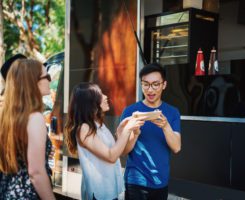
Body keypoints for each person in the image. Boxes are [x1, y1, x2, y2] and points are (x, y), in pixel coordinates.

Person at [64, 82, 146, 200]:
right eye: (100, 94)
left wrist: (133, 133)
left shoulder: (98, 124)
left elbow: (120, 152)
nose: (105, 96)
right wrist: (127, 130)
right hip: (98, 193)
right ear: (90, 102)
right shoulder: (84, 128)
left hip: (109, 190)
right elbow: (111, 156)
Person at [120, 63, 181, 200]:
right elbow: (123, 151)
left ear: (164, 85)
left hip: (161, 181)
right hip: (135, 181)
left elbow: (177, 147)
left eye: (155, 84)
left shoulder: (172, 113)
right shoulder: (130, 112)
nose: (150, 90)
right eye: (146, 84)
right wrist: (134, 134)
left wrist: (165, 126)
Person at [0, 59, 55, 199]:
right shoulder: (35, 117)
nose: (50, 79)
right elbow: (36, 173)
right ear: (33, 81)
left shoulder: (7, 117)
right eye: (47, 76)